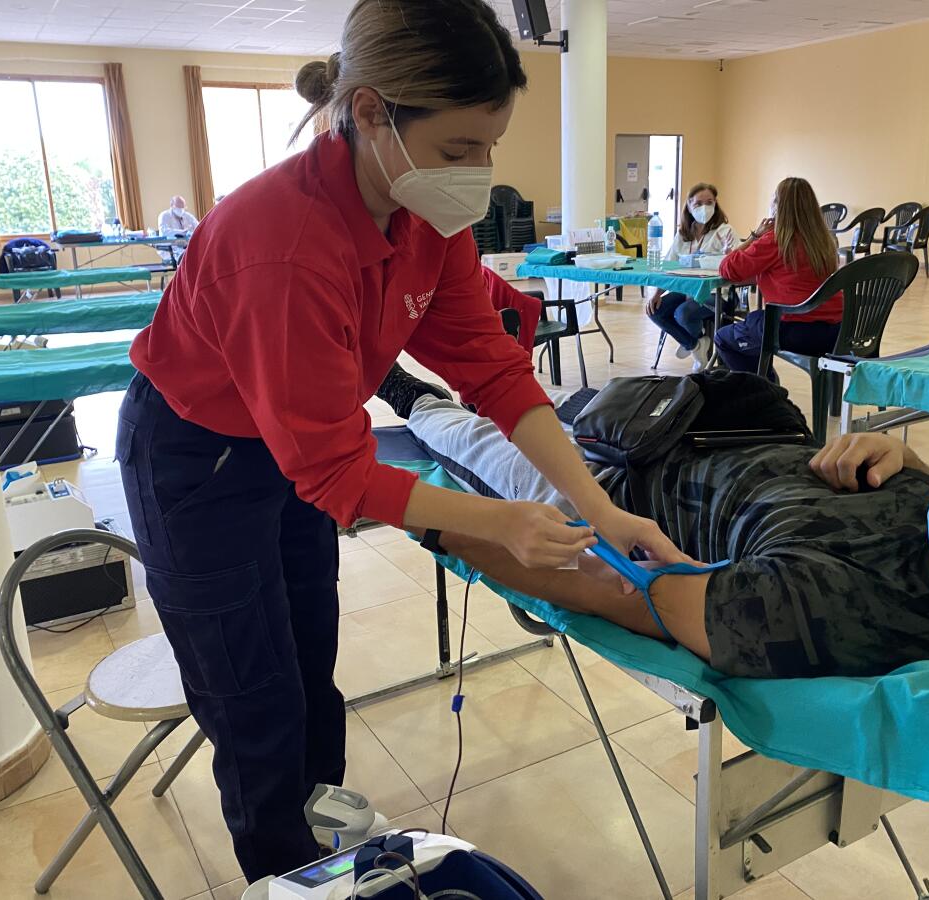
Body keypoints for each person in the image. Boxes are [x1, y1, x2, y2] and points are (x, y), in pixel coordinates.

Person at [115, 0, 683, 882]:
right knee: (254, 700)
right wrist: (501, 524)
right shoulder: (284, 244)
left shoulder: (426, 217)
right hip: (200, 457)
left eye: (490, 146)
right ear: (373, 113)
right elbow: (341, 475)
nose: (479, 171)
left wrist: (597, 507)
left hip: (288, 444)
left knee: (310, 668)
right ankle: (286, 874)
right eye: (460, 150)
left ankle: (325, 844)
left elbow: (492, 370)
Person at [377, 374, 929, 678]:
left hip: (611, 492)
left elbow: (606, 587)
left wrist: (438, 526)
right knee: (539, 403)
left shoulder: (824, 607)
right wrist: (900, 452)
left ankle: (409, 394)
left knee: (475, 443)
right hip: (684, 426)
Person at [715, 177, 842, 376]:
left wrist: (753, 236)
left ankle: (767, 392)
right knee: (756, 320)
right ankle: (768, 389)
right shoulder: (824, 241)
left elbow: (727, 268)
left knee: (724, 337)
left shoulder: (776, 240)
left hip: (797, 330)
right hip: (837, 330)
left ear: (777, 206)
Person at [644, 183, 739, 369]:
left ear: (716, 204)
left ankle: (693, 343)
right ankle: (695, 344)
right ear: (688, 205)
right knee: (655, 310)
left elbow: (737, 265)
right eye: (698, 204)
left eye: (709, 202)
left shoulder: (725, 232)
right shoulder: (683, 234)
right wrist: (656, 294)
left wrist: (729, 255)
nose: (704, 208)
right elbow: (669, 265)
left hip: (717, 293)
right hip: (687, 289)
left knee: (683, 313)